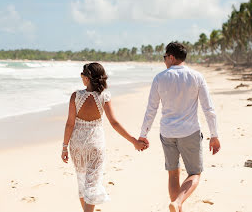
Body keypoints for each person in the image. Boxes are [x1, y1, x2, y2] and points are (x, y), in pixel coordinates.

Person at [138, 42, 221, 212]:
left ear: (171, 57)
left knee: (173, 173)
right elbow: (208, 108)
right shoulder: (196, 77)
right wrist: (214, 135)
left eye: (164, 57)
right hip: (190, 132)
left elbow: (151, 110)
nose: (164, 61)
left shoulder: (160, 78)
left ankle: (176, 205)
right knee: (195, 173)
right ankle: (177, 203)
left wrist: (143, 134)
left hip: (167, 132)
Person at [61, 62, 146, 212]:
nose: (81, 78)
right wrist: (133, 141)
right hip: (95, 143)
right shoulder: (104, 96)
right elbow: (114, 122)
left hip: (77, 145)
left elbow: (69, 124)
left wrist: (64, 147)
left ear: (87, 78)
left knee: (82, 183)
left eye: (82, 75)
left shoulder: (76, 96)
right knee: (92, 185)